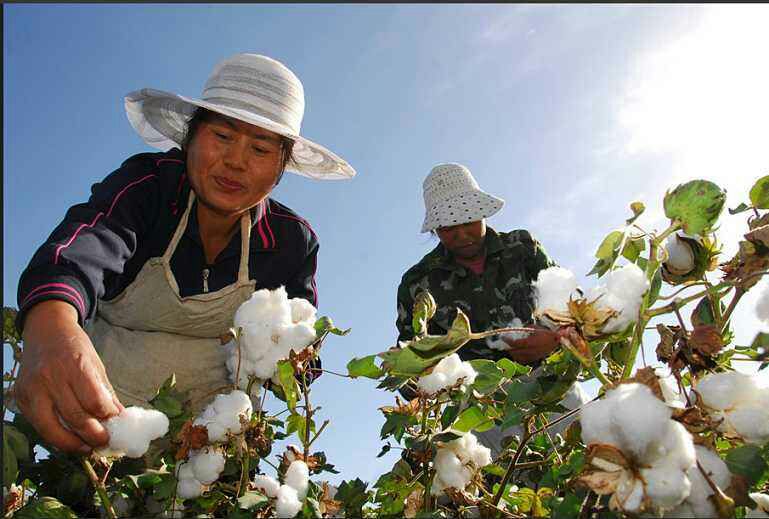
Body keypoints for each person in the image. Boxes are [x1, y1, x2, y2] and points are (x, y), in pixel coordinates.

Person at [13, 53, 355, 455]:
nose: (236, 161)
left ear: (281, 167)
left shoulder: (290, 243)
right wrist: (51, 330)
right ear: (190, 136)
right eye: (223, 137)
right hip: (98, 425)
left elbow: (300, 358)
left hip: (208, 450)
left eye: (261, 149)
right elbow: (81, 251)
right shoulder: (148, 189)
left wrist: (295, 364)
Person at [395, 163, 585, 458]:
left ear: (481, 212)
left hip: (552, 391)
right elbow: (411, 362)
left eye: (468, 220)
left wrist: (554, 338)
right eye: (448, 227)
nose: (462, 234)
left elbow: (577, 309)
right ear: (435, 229)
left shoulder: (522, 249)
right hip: (481, 415)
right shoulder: (418, 283)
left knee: (580, 470)